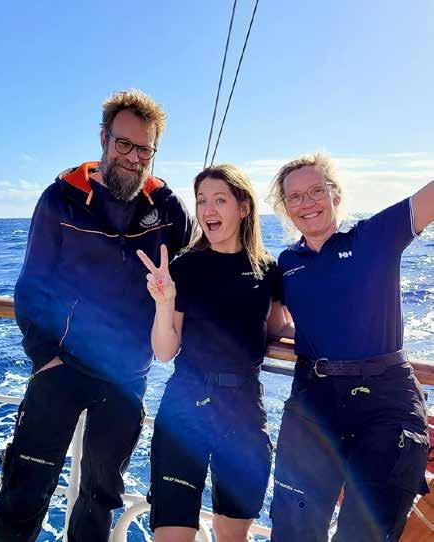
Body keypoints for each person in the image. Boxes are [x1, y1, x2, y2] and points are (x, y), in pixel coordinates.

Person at [0, 89, 192, 542]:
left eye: (144, 150)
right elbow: (32, 284)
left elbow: (201, 268)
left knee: (101, 496)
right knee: (25, 488)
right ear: (104, 139)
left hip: (126, 377)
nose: (133, 158)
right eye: (124, 144)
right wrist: (45, 357)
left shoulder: (167, 207)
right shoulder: (60, 199)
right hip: (62, 366)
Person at [267, 152, 434, 541]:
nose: (307, 203)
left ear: (336, 194)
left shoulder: (374, 237)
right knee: (293, 529)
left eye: (316, 191)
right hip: (314, 400)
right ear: (286, 208)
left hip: (386, 403)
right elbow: (277, 325)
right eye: (295, 197)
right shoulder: (287, 262)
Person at [137, 164, 293, 542]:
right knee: (172, 535)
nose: (208, 210)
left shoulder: (267, 269)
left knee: (233, 535)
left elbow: (280, 328)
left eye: (219, 200)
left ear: (243, 207)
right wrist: (164, 302)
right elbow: (164, 351)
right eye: (202, 200)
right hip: (186, 406)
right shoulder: (185, 267)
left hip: (243, 409)